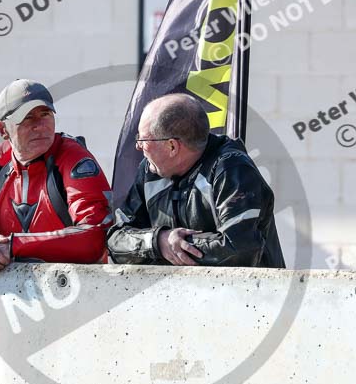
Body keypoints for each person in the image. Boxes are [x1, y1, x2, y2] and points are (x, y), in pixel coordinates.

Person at [0, 79, 112, 287]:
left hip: (78, 291)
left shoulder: (74, 158)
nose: (39, 126)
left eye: (45, 114)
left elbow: (96, 237)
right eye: (27, 118)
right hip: (14, 293)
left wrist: (12, 247)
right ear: (3, 130)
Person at [108, 93, 285, 267]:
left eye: (143, 139)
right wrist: (158, 241)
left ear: (172, 146)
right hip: (177, 295)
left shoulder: (232, 169)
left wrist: (174, 246)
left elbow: (240, 249)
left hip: (246, 294)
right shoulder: (149, 171)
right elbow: (115, 239)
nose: (138, 146)